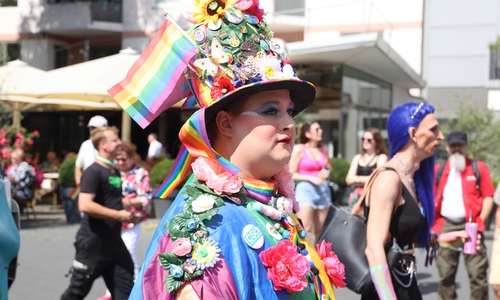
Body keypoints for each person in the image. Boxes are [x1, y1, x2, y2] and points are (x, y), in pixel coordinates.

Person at [114, 2, 347, 298]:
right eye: (271, 110)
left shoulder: (271, 201)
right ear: (225, 123)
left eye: (290, 111)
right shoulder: (207, 226)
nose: (290, 123)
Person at [362, 102, 443, 299]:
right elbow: (373, 248)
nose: (440, 136)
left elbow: (403, 234)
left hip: (406, 279)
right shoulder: (389, 178)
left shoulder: (412, 178)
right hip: (387, 288)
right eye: (433, 129)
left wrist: (447, 238)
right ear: (413, 133)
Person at [61, 126, 140, 300]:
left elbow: (110, 200)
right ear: (103, 145)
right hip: (93, 244)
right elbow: (84, 205)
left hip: (114, 242)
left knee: (127, 292)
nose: (119, 142)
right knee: (76, 292)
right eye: (115, 139)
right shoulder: (93, 171)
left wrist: (127, 209)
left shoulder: (113, 170)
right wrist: (118, 215)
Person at [432, 130, 495, 300]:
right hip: (446, 225)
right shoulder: (439, 169)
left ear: (466, 146)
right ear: (447, 147)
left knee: (477, 275)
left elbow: (488, 196)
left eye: (460, 145)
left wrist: (480, 221)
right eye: (453, 145)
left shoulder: (478, 167)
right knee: (445, 275)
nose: (457, 148)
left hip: (471, 226)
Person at [98, 141, 152, 300]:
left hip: (132, 220)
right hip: (112, 220)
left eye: (124, 159)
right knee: (110, 255)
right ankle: (111, 292)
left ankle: (134, 291)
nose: (120, 162)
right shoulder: (113, 172)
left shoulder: (141, 173)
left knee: (128, 254)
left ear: (131, 157)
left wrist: (125, 202)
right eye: (118, 159)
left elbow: (145, 199)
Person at [289, 121, 331, 240]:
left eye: (320, 129)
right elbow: (291, 173)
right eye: (317, 129)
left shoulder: (324, 149)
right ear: (308, 134)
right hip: (305, 189)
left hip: (323, 190)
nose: (321, 131)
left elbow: (326, 169)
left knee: (322, 230)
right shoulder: (299, 149)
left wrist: (327, 173)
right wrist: (310, 178)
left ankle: (320, 257)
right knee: (305, 228)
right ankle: (306, 257)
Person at [345, 127, 388, 207]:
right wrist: (368, 179)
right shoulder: (357, 157)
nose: (365, 141)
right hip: (356, 199)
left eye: (369, 140)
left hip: (372, 197)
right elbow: (348, 180)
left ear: (376, 141)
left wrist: (356, 178)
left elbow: (378, 179)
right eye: (363, 139)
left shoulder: (381, 157)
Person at [74, 115, 108, 186]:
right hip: (88, 184)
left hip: (106, 183)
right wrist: (79, 185)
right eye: (91, 128)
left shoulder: (111, 144)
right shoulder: (85, 144)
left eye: (96, 128)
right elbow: (78, 167)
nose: (93, 131)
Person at [7, 149, 36, 214]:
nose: (11, 159)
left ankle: (10, 214)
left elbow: (20, 181)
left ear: (19, 158)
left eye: (13, 158)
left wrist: (11, 179)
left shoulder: (24, 166)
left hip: (24, 191)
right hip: (16, 190)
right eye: (11, 158)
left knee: (8, 193)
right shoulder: (14, 167)